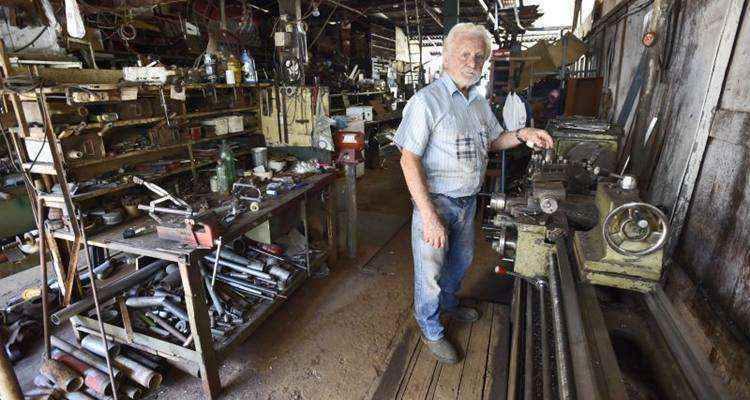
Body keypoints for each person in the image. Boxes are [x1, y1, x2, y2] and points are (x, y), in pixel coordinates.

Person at [393, 23, 554, 364]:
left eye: (478, 56)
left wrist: (524, 133)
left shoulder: (477, 103)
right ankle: (431, 328)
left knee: (461, 261)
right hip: (434, 203)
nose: (471, 62)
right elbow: (409, 160)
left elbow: (494, 141)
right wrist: (429, 218)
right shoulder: (426, 102)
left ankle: (450, 305)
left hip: (467, 203)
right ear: (446, 58)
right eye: (464, 55)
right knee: (430, 275)